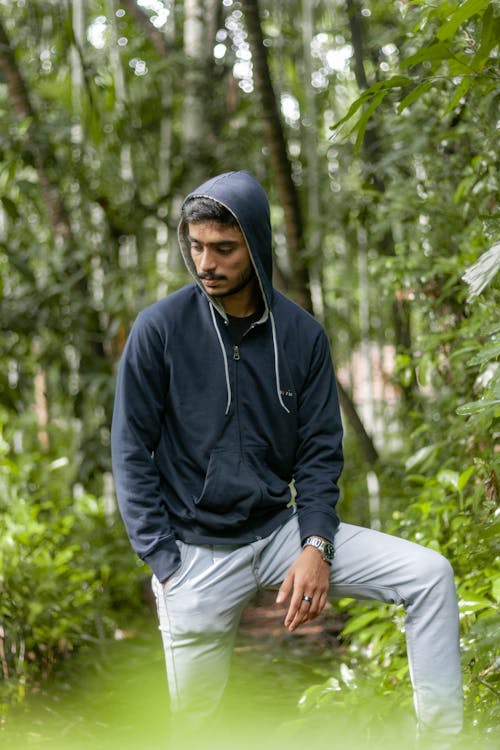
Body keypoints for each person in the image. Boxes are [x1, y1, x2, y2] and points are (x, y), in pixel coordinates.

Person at [111, 171, 463, 746]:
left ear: (255, 243)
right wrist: (163, 560)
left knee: (429, 576)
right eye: (196, 246)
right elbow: (130, 449)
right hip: (195, 556)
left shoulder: (302, 337)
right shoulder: (160, 331)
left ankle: (446, 740)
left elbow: (320, 455)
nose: (206, 263)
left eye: (224, 249)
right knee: (193, 729)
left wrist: (315, 544)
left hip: (281, 534)